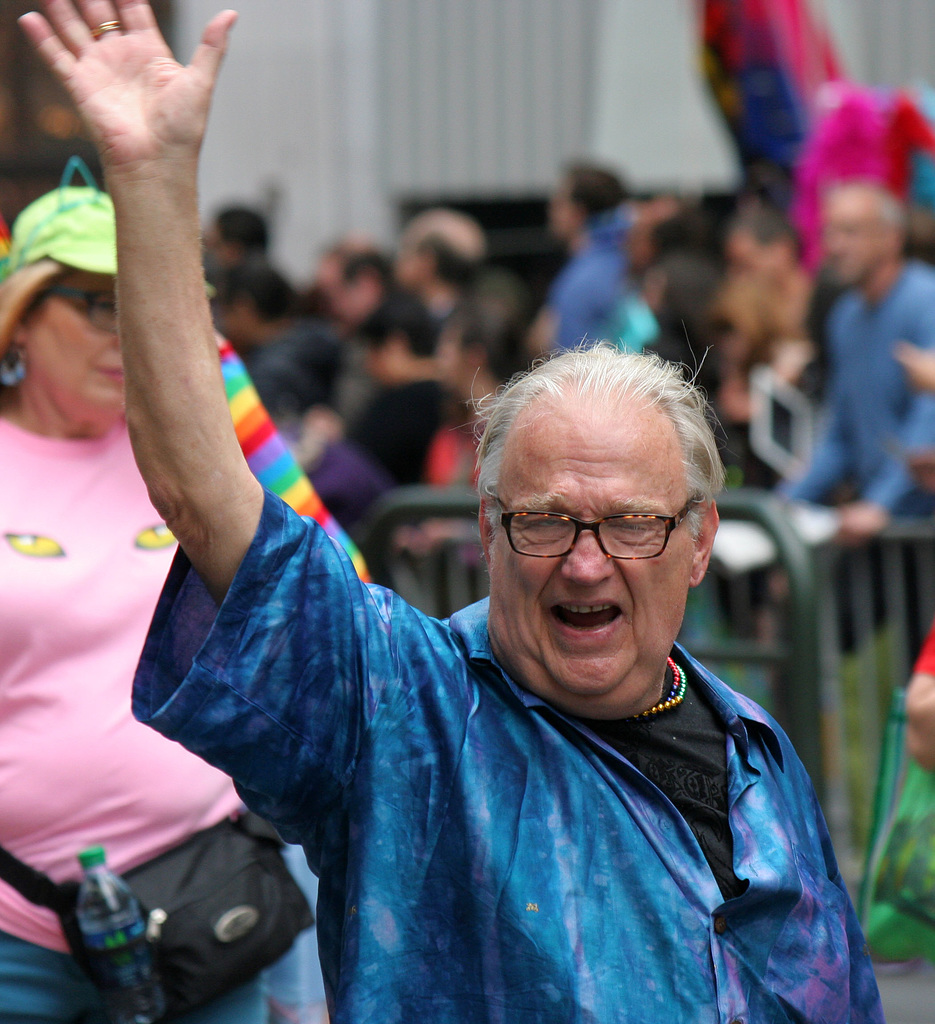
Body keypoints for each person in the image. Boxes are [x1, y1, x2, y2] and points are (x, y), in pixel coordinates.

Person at [20, 4, 885, 1022]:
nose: (584, 561)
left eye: (630, 523)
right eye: (544, 520)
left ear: (696, 541)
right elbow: (210, 504)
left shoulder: (757, 750)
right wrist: (154, 184)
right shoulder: (405, 712)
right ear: (486, 530)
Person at [0, 169, 265, 1022]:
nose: (127, 331)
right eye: (95, 302)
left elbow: (291, 612)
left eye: (141, 302)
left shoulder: (196, 455)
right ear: (24, 313)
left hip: (208, 902)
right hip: (13, 924)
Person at [781, 181, 935, 544]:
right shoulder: (844, 317)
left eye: (850, 231)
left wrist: (882, 504)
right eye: (829, 231)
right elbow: (843, 430)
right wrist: (787, 500)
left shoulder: (926, 300)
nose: (835, 245)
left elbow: (928, 417)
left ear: (891, 237)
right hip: (877, 526)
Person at [527, 161, 629, 356]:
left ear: (578, 212)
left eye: (558, 203)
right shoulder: (621, 259)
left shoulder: (582, 280)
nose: (550, 211)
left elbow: (571, 360)